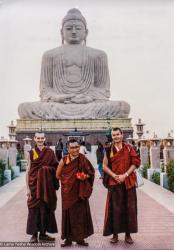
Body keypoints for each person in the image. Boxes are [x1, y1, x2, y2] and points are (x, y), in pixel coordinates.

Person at [18, 8, 130, 120]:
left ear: (86, 32)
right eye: (69, 28)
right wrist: (58, 98)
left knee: (123, 107)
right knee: (24, 108)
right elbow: (45, 89)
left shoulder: (99, 55)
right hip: (58, 105)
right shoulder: (49, 55)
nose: (74, 31)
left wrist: (88, 98)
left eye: (78, 28)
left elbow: (103, 89)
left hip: (89, 104)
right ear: (61, 32)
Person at [103, 127, 141, 244]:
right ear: (112, 137)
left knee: (129, 208)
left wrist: (125, 175)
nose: (116, 137)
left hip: (128, 182)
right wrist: (114, 175)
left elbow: (135, 163)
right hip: (114, 182)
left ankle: (128, 234)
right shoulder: (109, 149)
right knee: (115, 209)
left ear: (122, 135)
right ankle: (115, 234)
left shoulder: (129, 148)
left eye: (118, 134)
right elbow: (104, 166)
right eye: (114, 135)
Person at [56, 139, 95, 247]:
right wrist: (66, 181)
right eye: (72, 147)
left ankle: (80, 239)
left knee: (80, 214)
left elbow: (91, 173)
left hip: (80, 192)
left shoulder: (83, 159)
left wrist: (84, 176)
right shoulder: (64, 160)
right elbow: (58, 175)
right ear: (68, 149)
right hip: (68, 192)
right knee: (68, 214)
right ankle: (68, 239)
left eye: (77, 147)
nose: (75, 149)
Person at [26, 132, 59, 243]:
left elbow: (55, 167)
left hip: (46, 186)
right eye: (38, 138)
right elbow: (28, 171)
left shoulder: (50, 152)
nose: (40, 140)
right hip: (34, 185)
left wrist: (45, 170)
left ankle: (44, 234)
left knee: (46, 209)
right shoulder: (31, 153)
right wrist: (27, 188)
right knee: (34, 209)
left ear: (44, 139)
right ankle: (34, 235)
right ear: (34, 139)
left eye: (42, 138)